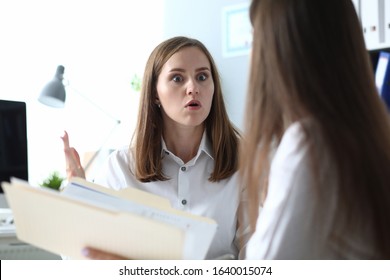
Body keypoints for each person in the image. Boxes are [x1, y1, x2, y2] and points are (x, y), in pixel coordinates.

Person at [62, 36, 249, 260]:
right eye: (177, 78)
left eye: (202, 77)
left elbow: (262, 253)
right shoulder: (120, 167)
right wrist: (80, 202)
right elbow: (81, 257)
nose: (193, 88)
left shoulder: (244, 161)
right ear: (154, 93)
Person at [241, 0, 390, 259]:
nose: (251, 54)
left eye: (255, 39)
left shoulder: (310, 145)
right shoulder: (369, 133)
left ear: (282, 51)